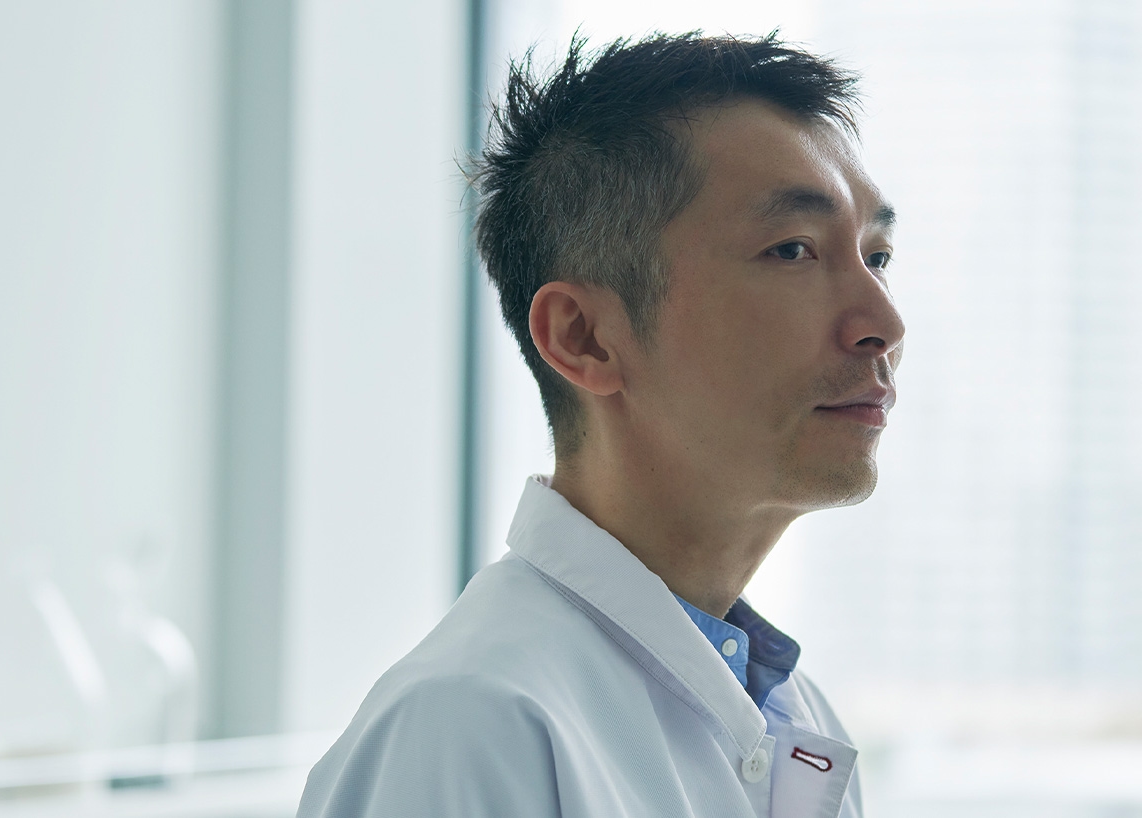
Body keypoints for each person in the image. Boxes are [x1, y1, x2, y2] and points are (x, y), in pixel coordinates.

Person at [298, 31, 902, 818]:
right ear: (583, 337)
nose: (883, 324)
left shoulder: (796, 716)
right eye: (792, 250)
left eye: (877, 257)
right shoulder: (471, 723)